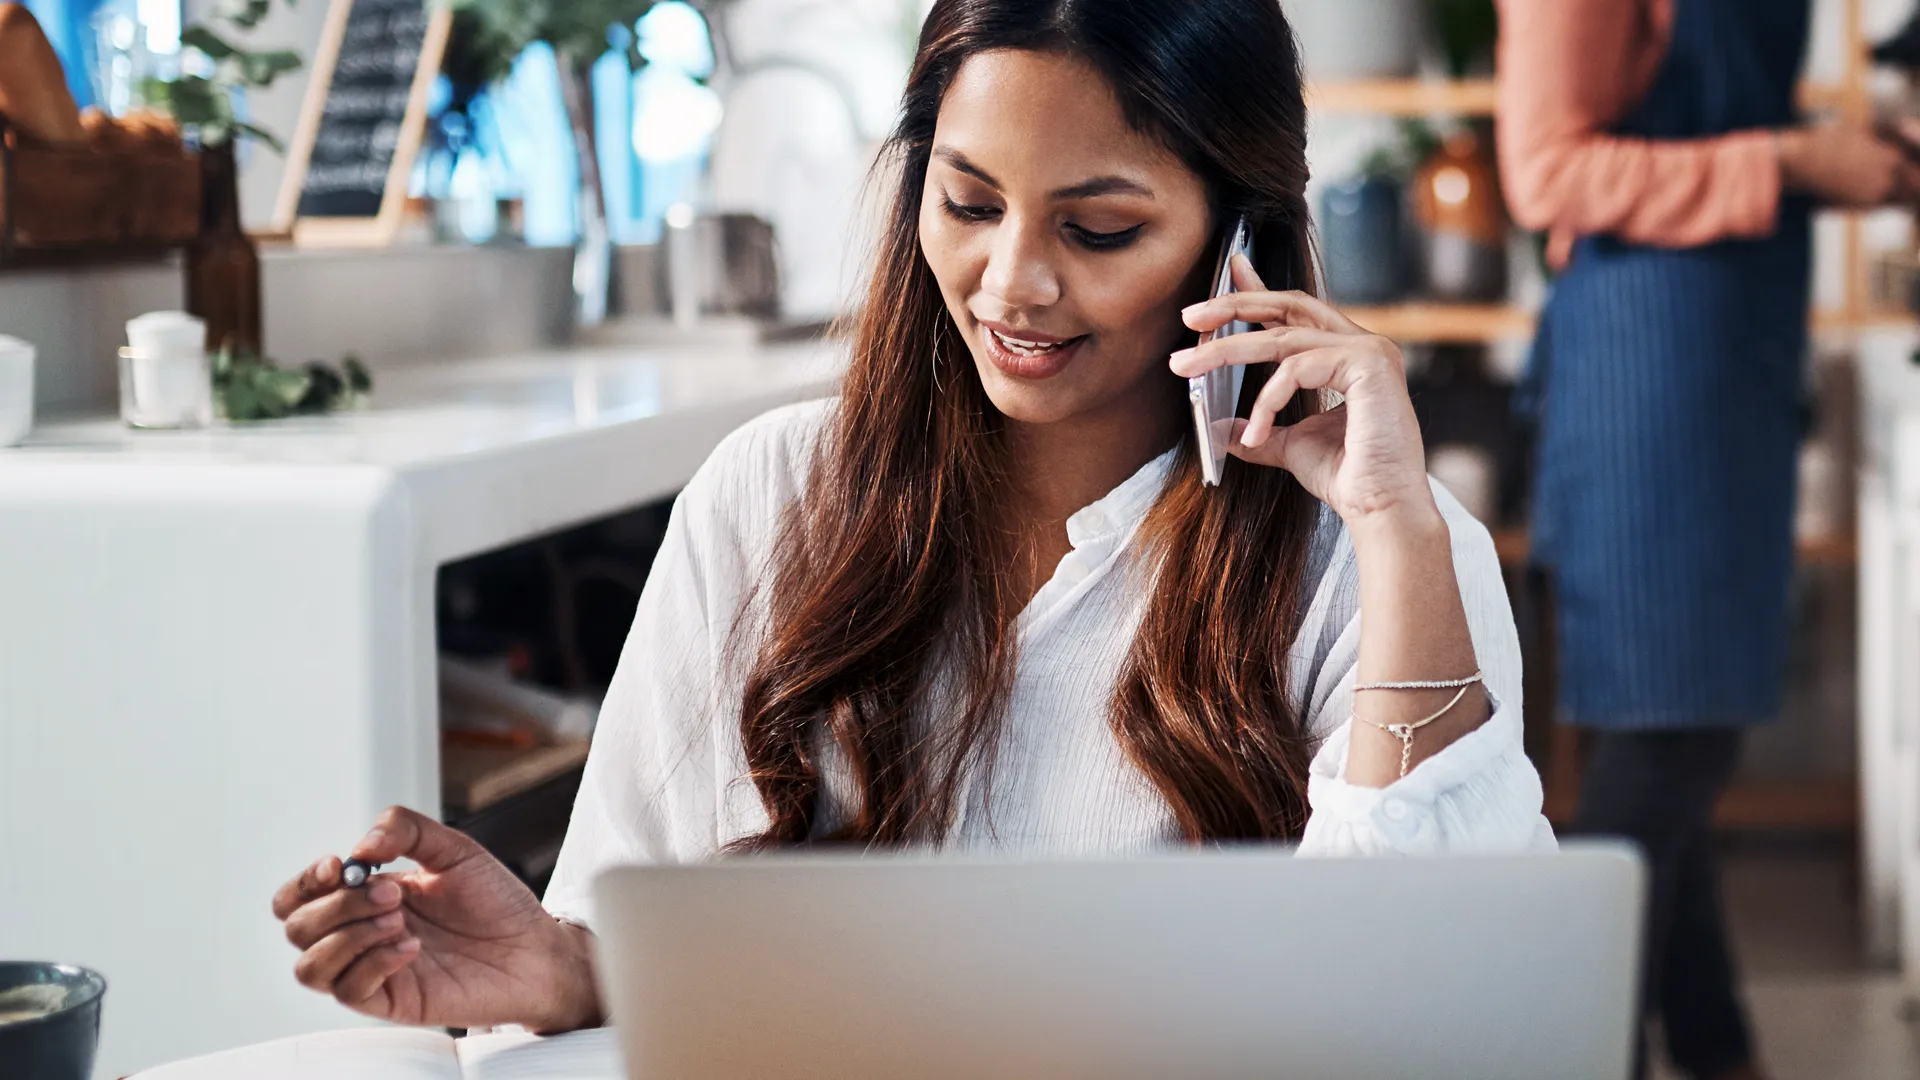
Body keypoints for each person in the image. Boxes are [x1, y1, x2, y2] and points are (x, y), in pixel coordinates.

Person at [271, 0, 1552, 1035]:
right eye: (969, 202)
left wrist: (1393, 529)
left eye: (1100, 228)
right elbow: (656, 940)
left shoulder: (1373, 550)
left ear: (1239, 246)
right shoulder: (770, 494)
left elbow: (1434, 1010)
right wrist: (562, 970)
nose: (1013, 285)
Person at [1496, 2, 1920, 1078]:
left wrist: (1840, 161)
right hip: (1653, 367)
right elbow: (1547, 172)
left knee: (1684, 739)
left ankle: (1713, 1046)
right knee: (1661, 748)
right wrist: (1789, 160)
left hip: (1720, 350)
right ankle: (1577, 1048)